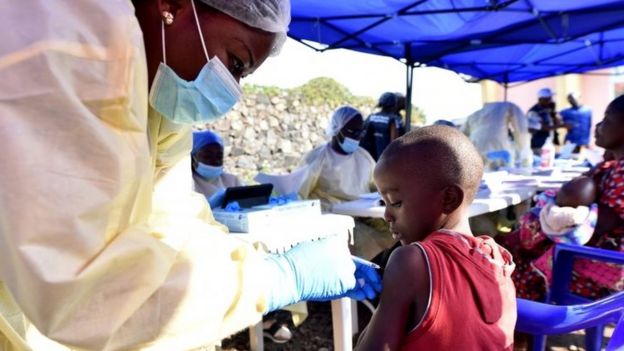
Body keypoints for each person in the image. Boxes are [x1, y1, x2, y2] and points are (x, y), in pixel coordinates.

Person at [0, 1, 382, 350]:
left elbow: (175, 222)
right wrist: (276, 279)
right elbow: (80, 291)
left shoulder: (157, 91)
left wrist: (254, 260)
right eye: (235, 63)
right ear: (173, 4)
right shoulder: (71, 39)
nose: (233, 90)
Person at [356, 126, 517, 351]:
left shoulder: (411, 261)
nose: (386, 215)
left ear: (449, 199)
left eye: (396, 202)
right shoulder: (500, 261)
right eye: (384, 203)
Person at [498, 94, 624, 302]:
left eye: (607, 119)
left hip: (602, 268)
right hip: (595, 255)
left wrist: (564, 209)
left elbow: (604, 223)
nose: (598, 126)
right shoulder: (613, 167)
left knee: (512, 264)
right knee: (508, 245)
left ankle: (523, 326)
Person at [298, 105, 376, 211]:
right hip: (331, 217)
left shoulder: (364, 157)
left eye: (360, 131)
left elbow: (378, 186)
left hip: (364, 214)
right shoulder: (317, 158)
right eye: (352, 131)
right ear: (336, 129)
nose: (358, 136)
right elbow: (299, 194)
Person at [461, 101, 531, 170]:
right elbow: (521, 130)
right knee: (501, 174)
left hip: (476, 148)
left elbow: (460, 135)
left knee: (481, 173)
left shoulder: (475, 114)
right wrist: (525, 154)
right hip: (497, 146)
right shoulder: (508, 106)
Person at [192, 130, 243, 199]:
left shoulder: (232, 181)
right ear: (193, 158)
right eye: (207, 156)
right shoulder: (185, 184)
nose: (214, 161)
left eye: (219, 156)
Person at [360, 92, 406, 161]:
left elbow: (362, 136)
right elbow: (394, 143)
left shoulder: (371, 117)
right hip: (384, 162)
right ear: (394, 104)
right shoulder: (393, 119)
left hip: (367, 159)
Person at [528, 88, 563, 152]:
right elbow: (543, 127)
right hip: (538, 146)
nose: (550, 101)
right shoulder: (533, 112)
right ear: (541, 99)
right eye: (548, 99)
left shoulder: (548, 110)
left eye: (550, 99)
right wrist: (562, 126)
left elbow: (558, 122)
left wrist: (553, 111)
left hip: (549, 144)